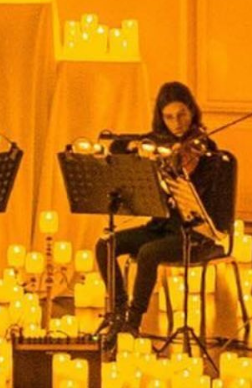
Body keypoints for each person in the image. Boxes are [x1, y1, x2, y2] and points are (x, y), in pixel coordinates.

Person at [94, 81, 233, 336]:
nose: (177, 123)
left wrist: (183, 168)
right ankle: (118, 309)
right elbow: (116, 146)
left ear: (192, 111)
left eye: (181, 114)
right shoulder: (158, 142)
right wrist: (135, 147)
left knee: (148, 253)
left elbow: (201, 202)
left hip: (191, 233)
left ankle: (133, 322)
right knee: (106, 244)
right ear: (161, 118)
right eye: (169, 117)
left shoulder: (205, 151)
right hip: (160, 228)